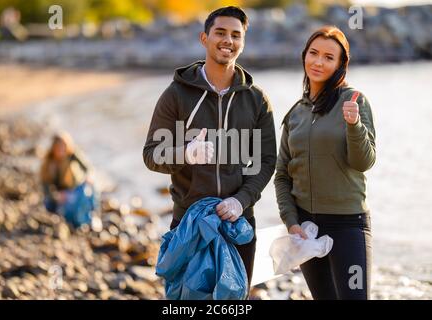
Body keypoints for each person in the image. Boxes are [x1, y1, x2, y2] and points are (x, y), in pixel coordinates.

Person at [143, 6, 277, 293]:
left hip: (237, 223)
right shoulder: (176, 94)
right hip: (188, 224)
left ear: (242, 42)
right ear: (204, 38)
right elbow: (152, 154)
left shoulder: (257, 100)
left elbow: (266, 161)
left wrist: (240, 200)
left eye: (235, 35)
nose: (228, 40)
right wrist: (185, 153)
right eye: (220, 32)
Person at [274, 25, 376, 300]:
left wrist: (354, 125)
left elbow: (364, 161)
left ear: (341, 64)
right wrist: (291, 222)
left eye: (329, 57)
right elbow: (282, 174)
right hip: (308, 229)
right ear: (304, 55)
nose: (318, 61)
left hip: (348, 225)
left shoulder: (354, 101)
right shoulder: (295, 113)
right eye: (314, 53)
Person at [40, 132, 97, 228]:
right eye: (58, 147)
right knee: (49, 203)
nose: (61, 150)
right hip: (60, 194)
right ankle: (68, 218)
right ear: (53, 148)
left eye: (63, 147)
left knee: (90, 189)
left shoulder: (72, 155)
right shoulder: (48, 164)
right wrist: (56, 196)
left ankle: (94, 215)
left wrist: (88, 177)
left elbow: (88, 168)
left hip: (75, 189)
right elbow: (45, 188)